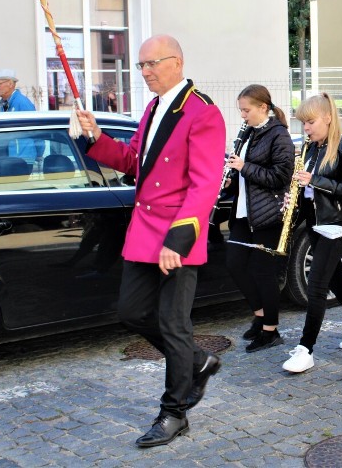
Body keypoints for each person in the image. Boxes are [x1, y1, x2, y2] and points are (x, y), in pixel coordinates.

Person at [76, 34, 225, 447]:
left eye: (151, 63)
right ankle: (198, 361)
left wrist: (177, 241)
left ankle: (173, 412)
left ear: (176, 62)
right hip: (145, 232)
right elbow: (133, 162)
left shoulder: (202, 112)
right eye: (140, 65)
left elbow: (204, 184)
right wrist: (95, 137)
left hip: (178, 233)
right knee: (131, 312)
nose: (143, 72)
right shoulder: (154, 107)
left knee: (174, 324)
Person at [282, 93, 342, 373]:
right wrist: (293, 198)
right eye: (303, 123)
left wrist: (315, 180)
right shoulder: (310, 149)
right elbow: (308, 191)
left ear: (328, 118)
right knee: (336, 282)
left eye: (310, 122)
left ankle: (305, 349)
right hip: (315, 224)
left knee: (317, 284)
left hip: (337, 225)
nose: (306, 128)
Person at [224, 85, 295, 352]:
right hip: (243, 211)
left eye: (246, 110)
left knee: (262, 271)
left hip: (267, 214)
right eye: (241, 110)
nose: (243, 115)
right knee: (235, 264)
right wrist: (232, 177)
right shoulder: (249, 133)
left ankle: (271, 330)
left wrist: (245, 167)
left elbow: (280, 177)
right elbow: (244, 176)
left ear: (263, 107)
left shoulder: (279, 135)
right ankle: (260, 314)